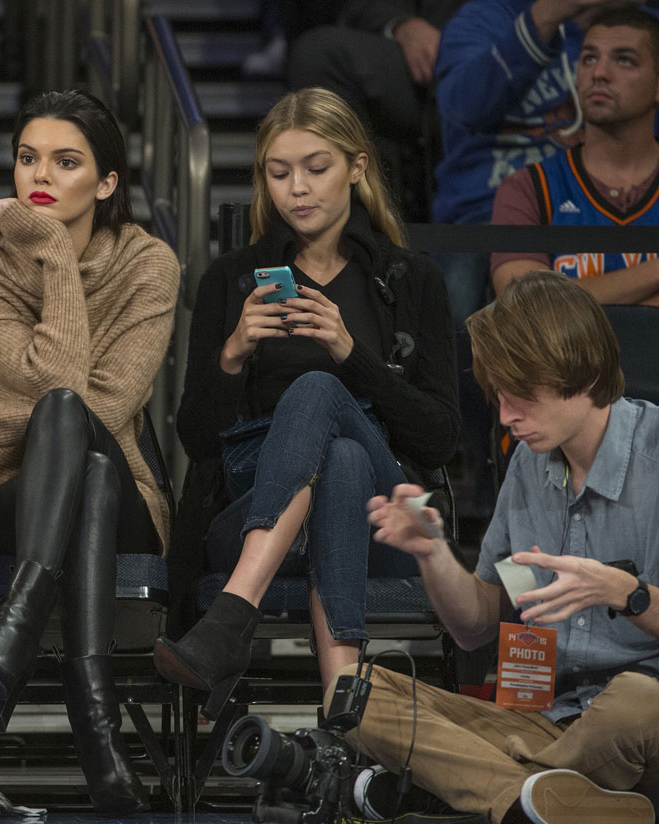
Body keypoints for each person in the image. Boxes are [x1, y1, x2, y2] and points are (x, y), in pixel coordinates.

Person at [0, 90, 179, 815]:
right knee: (77, 452)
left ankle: (11, 640)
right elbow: (61, 390)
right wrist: (54, 255)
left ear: (108, 183)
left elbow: (105, 408)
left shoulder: (151, 265)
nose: (39, 175)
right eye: (28, 158)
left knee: (84, 441)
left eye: (66, 160)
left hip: (123, 485)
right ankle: (96, 726)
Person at [160, 88, 459, 707]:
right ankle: (343, 716)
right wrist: (233, 352)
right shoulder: (230, 280)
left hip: (388, 524)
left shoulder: (412, 282)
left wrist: (354, 355)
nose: (297, 188)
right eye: (279, 172)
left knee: (323, 391)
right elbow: (195, 440)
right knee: (341, 463)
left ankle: (231, 617)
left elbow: (439, 438)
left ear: (357, 167)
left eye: (316, 168)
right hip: (248, 512)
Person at [354, 269, 659, 823]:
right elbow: (478, 624)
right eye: (499, 397)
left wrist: (628, 594)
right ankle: (548, 803)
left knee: (635, 701)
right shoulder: (531, 466)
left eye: (522, 397)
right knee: (356, 693)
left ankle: (483, 790)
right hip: (547, 723)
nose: (506, 417)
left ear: (579, 373)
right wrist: (433, 554)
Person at [491, 8, 659, 308]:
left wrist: (577, 302)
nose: (600, 73)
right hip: (573, 358)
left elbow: (549, 307)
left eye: (624, 60)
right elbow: (524, 305)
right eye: (589, 58)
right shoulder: (528, 187)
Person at [287, 0, 466, 220]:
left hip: (503, 45)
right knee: (318, 56)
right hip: (432, 58)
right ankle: (360, 233)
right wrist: (403, 25)